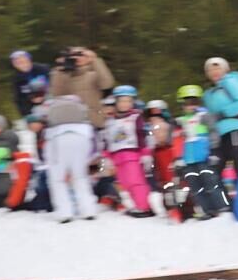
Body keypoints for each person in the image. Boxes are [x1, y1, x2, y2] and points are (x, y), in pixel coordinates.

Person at [172, 84, 228, 219]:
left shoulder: (204, 116)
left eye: (194, 102)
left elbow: (213, 132)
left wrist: (214, 151)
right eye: (187, 103)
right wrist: (179, 158)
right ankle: (207, 210)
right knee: (195, 186)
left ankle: (223, 207)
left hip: (204, 156)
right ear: (182, 105)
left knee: (211, 182)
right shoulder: (181, 121)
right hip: (189, 160)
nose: (191, 106)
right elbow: (178, 141)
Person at [44, 94, 99, 222]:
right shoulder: (81, 112)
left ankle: (65, 212)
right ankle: (88, 210)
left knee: (58, 180)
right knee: (80, 177)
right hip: (82, 137)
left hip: (57, 138)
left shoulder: (54, 107)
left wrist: (47, 159)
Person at [103, 85, 156, 216]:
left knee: (135, 181)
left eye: (128, 101)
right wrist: (107, 156)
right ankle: (134, 205)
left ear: (133, 102)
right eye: (122, 101)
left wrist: (146, 153)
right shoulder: (110, 121)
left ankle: (144, 207)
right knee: (124, 182)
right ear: (116, 102)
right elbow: (107, 139)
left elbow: (142, 135)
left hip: (132, 154)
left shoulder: (136, 117)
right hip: (116, 156)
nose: (125, 104)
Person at [202, 57, 238, 178]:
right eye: (210, 70)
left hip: (234, 128)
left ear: (225, 69)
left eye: (217, 68)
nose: (214, 72)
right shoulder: (208, 93)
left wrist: (224, 113)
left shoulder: (230, 82)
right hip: (218, 134)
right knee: (216, 168)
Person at [50, 46, 115, 128]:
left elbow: (107, 84)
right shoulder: (64, 75)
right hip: (72, 121)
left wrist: (95, 60)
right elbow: (57, 95)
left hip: (94, 121)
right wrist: (60, 69)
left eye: (80, 55)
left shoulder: (94, 74)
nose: (77, 58)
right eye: (73, 55)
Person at [9, 50, 51, 118]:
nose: (23, 65)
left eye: (25, 61)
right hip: (33, 108)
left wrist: (45, 97)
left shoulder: (43, 69)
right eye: (18, 63)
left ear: (30, 60)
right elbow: (19, 99)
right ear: (14, 65)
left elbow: (54, 85)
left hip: (51, 101)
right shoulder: (17, 79)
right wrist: (27, 115)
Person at [145, 99, 177, 189]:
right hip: (155, 153)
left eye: (156, 110)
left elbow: (163, 139)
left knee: (169, 173)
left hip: (165, 151)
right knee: (160, 174)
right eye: (152, 111)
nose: (154, 113)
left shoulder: (165, 124)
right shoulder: (150, 125)